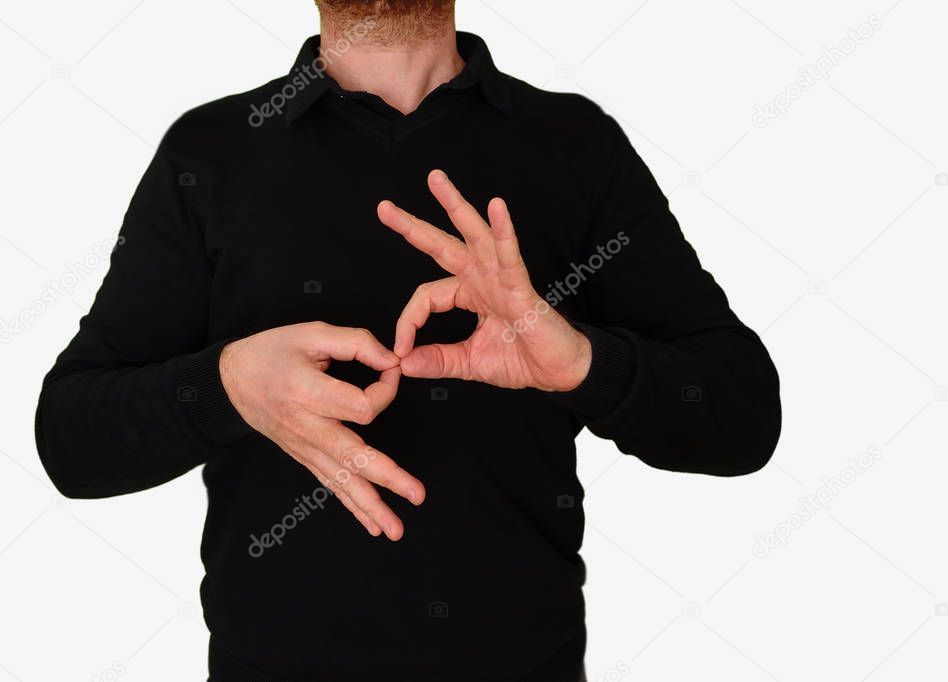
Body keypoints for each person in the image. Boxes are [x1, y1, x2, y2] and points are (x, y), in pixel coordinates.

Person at [34, 1, 782, 680]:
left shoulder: (574, 143)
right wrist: (227, 385)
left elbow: (742, 417)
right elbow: (71, 440)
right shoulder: (211, 152)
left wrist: (582, 363)